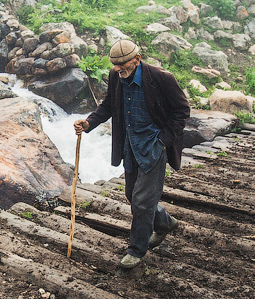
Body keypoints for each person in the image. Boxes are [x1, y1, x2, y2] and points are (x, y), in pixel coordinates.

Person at [73, 39, 190, 268]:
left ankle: (136, 251)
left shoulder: (161, 78)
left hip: (153, 147)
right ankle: (164, 222)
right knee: (131, 195)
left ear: (137, 59)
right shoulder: (116, 77)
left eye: (123, 65)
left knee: (142, 202)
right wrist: (89, 123)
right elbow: (107, 106)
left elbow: (182, 110)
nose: (118, 69)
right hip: (130, 146)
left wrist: (163, 141)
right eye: (115, 65)